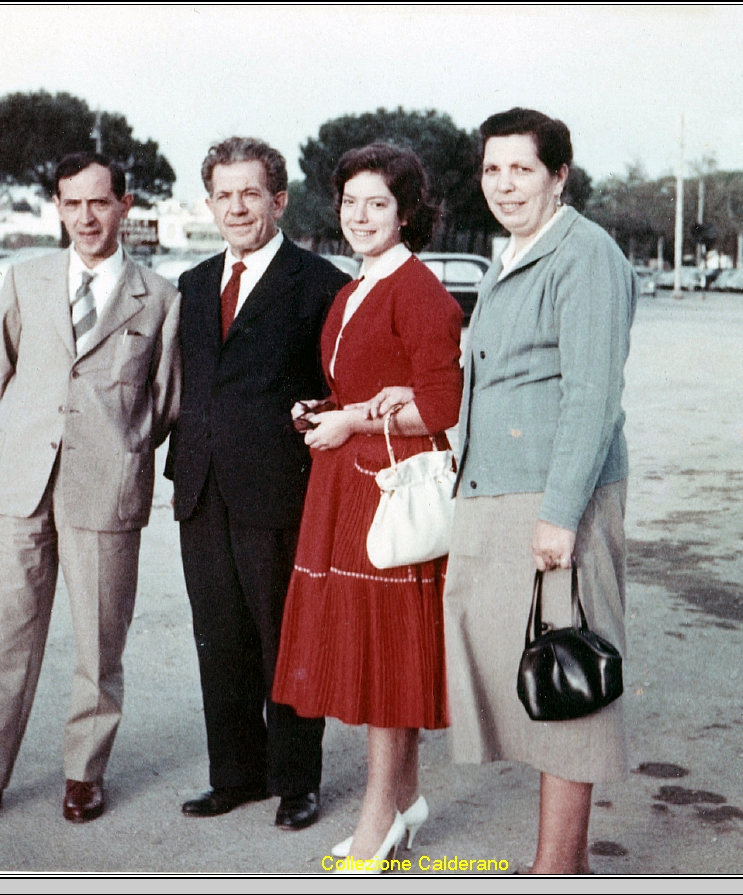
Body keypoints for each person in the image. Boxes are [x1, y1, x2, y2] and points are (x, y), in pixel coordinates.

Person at [0, 152, 181, 834]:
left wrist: (118, 445)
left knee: (100, 644)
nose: (86, 217)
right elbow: (0, 374)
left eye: (99, 202)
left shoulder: (159, 296)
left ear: (125, 205)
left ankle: (83, 775)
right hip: (19, 486)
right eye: (72, 203)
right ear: (58, 207)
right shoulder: (26, 279)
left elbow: (163, 402)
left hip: (105, 490)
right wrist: (29, 435)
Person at [443, 108, 637, 874]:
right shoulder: (511, 254)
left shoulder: (585, 253)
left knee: (568, 678)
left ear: (560, 175)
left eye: (521, 168)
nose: (504, 184)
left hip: (555, 498)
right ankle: (563, 861)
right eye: (492, 169)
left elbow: (593, 396)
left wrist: (559, 517)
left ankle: (556, 867)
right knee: (529, 673)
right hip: (497, 494)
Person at [272, 143, 464, 867]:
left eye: (377, 203)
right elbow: (372, 385)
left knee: (386, 665)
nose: (359, 215)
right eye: (350, 202)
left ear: (407, 212)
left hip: (389, 496)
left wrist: (352, 421)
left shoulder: (418, 290)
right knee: (380, 657)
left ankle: (380, 818)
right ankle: (406, 798)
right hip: (351, 484)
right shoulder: (357, 288)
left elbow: (441, 409)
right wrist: (326, 407)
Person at [167, 137, 352, 831]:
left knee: (288, 641)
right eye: (224, 194)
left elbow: (342, 388)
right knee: (220, 639)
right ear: (209, 203)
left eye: (251, 193)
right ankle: (234, 775)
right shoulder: (191, 284)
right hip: (202, 489)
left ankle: (295, 779)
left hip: (281, 490)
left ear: (278, 200)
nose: (237, 206)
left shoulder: (322, 284)